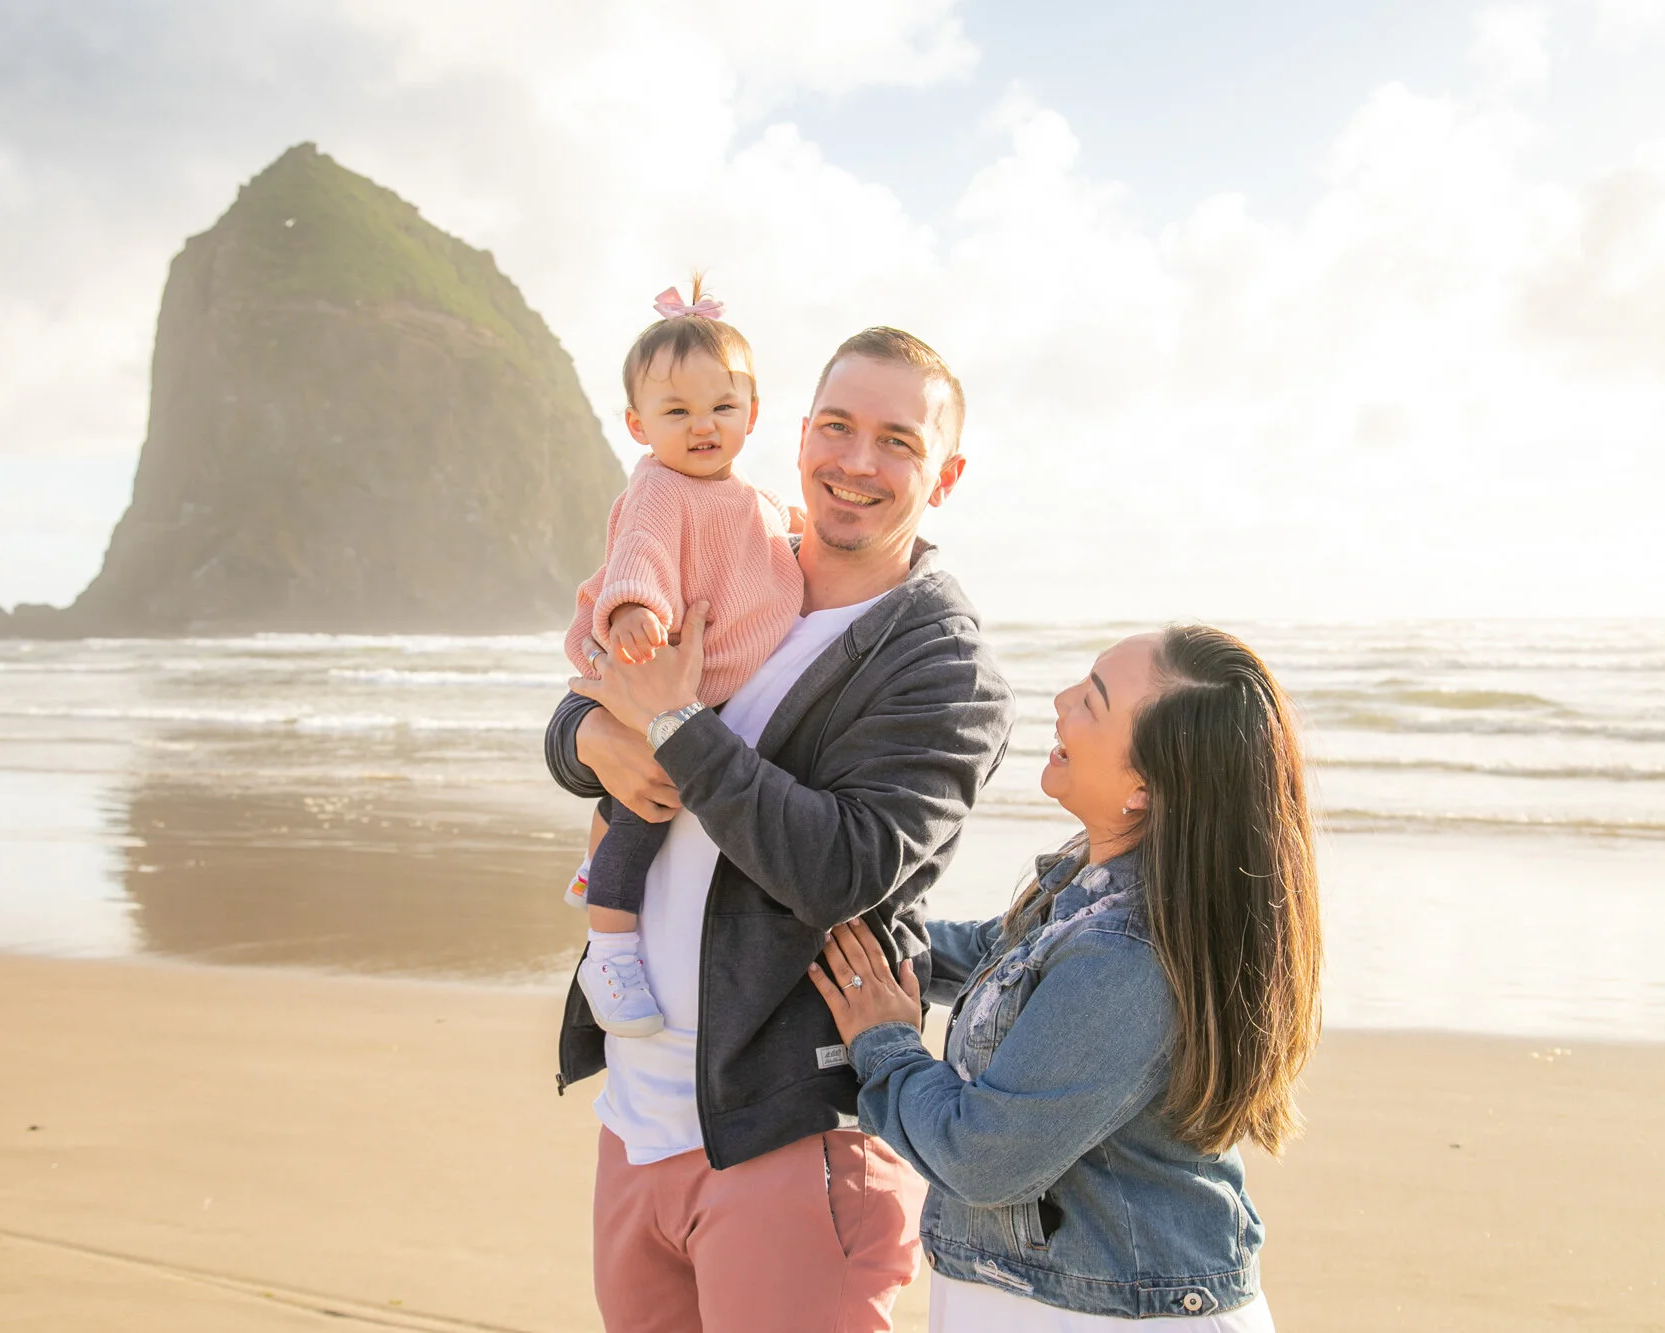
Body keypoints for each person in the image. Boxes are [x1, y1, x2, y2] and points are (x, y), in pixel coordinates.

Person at [547, 327, 1016, 1331]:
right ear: (795, 433)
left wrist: (673, 728)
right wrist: (588, 732)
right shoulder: (739, 559)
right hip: (636, 1124)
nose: (855, 461)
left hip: (788, 1138)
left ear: (946, 473)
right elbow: (593, 685)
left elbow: (840, 867)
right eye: (837, 427)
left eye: (896, 440)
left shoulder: (938, 665)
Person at [809, 627, 1323, 1329]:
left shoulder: (1128, 954)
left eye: (1092, 701)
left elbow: (981, 1154)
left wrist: (886, 1042)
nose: (1060, 702)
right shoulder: (1095, 887)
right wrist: (854, 923)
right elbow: (995, 954)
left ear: (1144, 787)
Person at [561, 278, 805, 1039]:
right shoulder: (660, 488)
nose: (703, 427)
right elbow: (641, 555)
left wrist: (800, 529)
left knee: (647, 791)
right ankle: (608, 945)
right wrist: (636, 609)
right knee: (647, 802)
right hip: (655, 668)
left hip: (706, 693)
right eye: (677, 412)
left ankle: (595, 860)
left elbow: (775, 544)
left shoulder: (755, 500)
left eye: (722, 409)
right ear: (639, 424)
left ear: (752, 414)